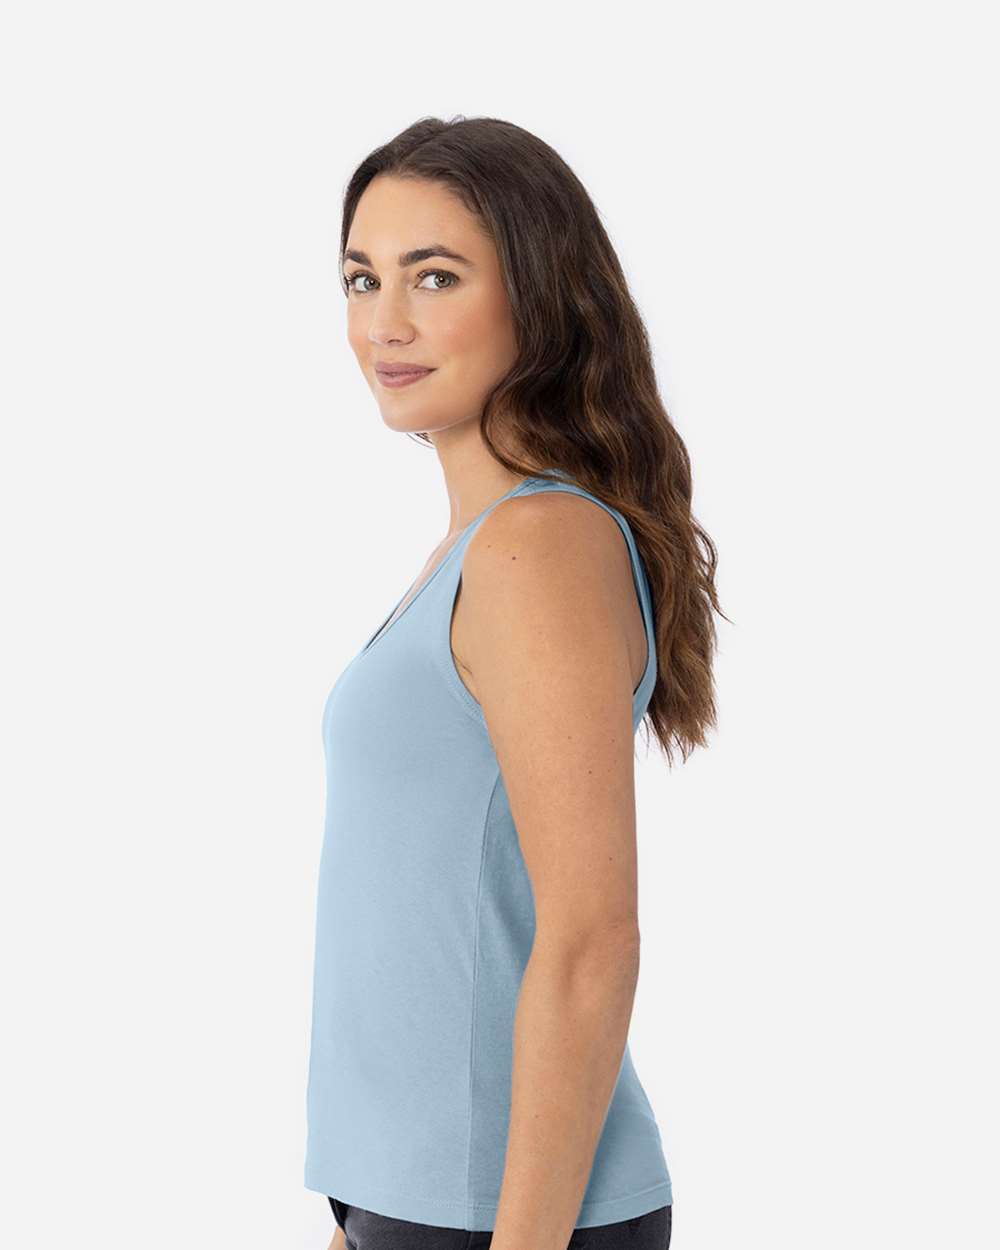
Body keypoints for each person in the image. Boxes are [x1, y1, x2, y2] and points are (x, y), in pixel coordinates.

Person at [304, 115, 724, 1250]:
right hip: (419, 1198)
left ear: (538, 296)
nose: (384, 322)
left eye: (435, 276)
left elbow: (591, 939)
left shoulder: (538, 546)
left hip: (511, 1217)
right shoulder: (479, 547)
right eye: (362, 277)